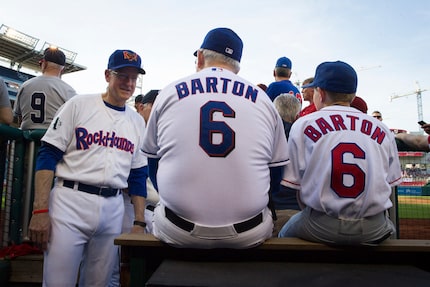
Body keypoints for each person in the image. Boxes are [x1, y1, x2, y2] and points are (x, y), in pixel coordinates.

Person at [142, 27, 289, 249]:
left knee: (157, 208)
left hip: (178, 230)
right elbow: (275, 176)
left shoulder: (170, 92)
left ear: (201, 57)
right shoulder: (263, 100)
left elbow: (153, 163)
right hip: (248, 232)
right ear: (237, 65)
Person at [28, 49, 148, 286]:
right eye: (122, 75)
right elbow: (48, 155)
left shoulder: (136, 121)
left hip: (113, 208)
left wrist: (139, 221)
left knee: (99, 283)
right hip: (70, 201)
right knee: (57, 282)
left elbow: (138, 174)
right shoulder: (79, 104)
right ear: (107, 75)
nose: (129, 82)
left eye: (134, 77)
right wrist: (40, 210)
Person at [279, 61, 402, 245]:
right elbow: (391, 182)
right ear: (352, 95)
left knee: (283, 234)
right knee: (391, 230)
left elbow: (294, 184)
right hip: (373, 228)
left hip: (320, 225)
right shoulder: (381, 128)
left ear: (320, 93)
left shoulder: (304, 124)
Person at [13, 47, 76, 130]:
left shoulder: (26, 85)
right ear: (62, 69)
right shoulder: (68, 90)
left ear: (44, 63)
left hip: (27, 138)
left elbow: (19, 117)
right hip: (54, 138)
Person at [272, 93, 301, 236]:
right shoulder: (304, 135)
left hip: (267, 210)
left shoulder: (266, 134)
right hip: (297, 210)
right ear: (297, 116)